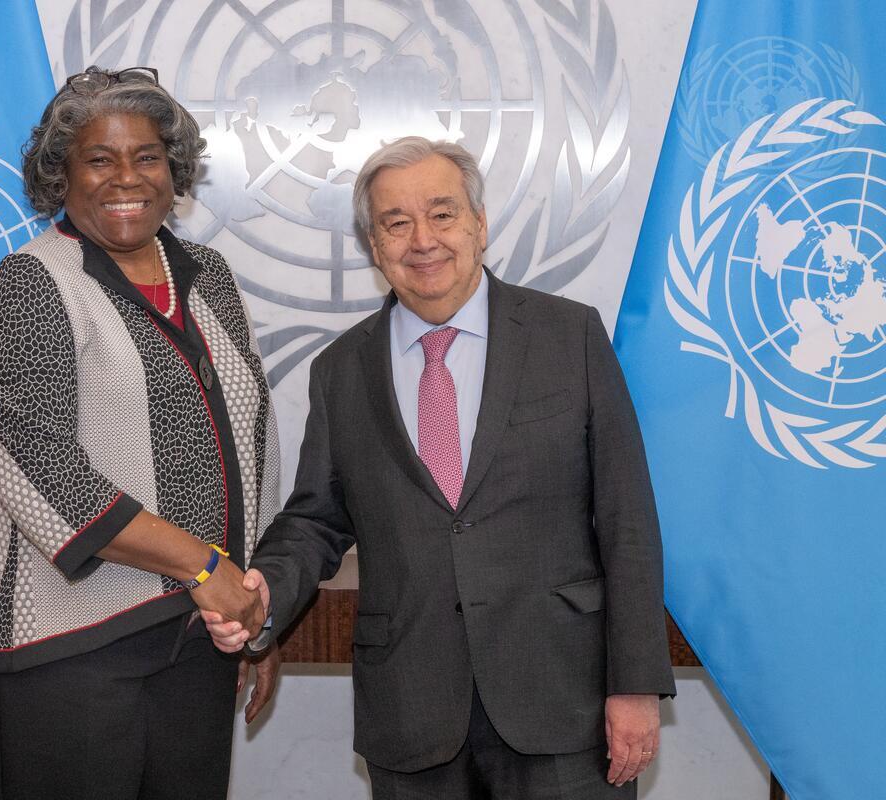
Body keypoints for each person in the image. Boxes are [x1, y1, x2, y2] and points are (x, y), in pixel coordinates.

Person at [205, 137, 675, 799]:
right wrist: (263, 595)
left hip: (563, 701)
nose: (422, 239)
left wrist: (635, 685)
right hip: (412, 711)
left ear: (479, 224)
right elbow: (315, 521)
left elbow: (627, 519)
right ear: (374, 246)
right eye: (396, 222)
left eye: (442, 214)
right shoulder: (342, 371)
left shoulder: (569, 336)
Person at [0, 66, 281, 799]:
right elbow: (44, 470)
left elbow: (244, 448)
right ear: (60, 176)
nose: (127, 177)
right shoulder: (32, 283)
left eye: (147, 156)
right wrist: (207, 569)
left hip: (197, 638)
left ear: (174, 170)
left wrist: (248, 618)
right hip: (67, 645)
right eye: (99, 159)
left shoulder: (208, 274)